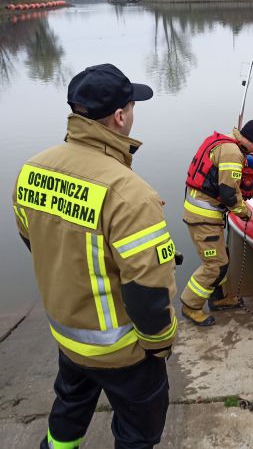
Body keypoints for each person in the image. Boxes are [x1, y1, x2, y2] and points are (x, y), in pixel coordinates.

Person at [12, 64, 178, 448]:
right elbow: (148, 293)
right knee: (138, 434)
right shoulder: (130, 194)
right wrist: (161, 345)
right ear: (120, 117)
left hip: (69, 337)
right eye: (132, 108)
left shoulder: (30, 170)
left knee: (68, 413)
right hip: (124, 353)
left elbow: (35, 241)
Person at [181, 120, 253, 326]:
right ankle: (190, 306)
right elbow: (229, 194)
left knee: (222, 258)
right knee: (215, 264)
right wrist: (247, 214)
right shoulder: (232, 153)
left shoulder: (225, 144)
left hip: (204, 214)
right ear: (252, 141)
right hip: (203, 218)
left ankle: (218, 298)